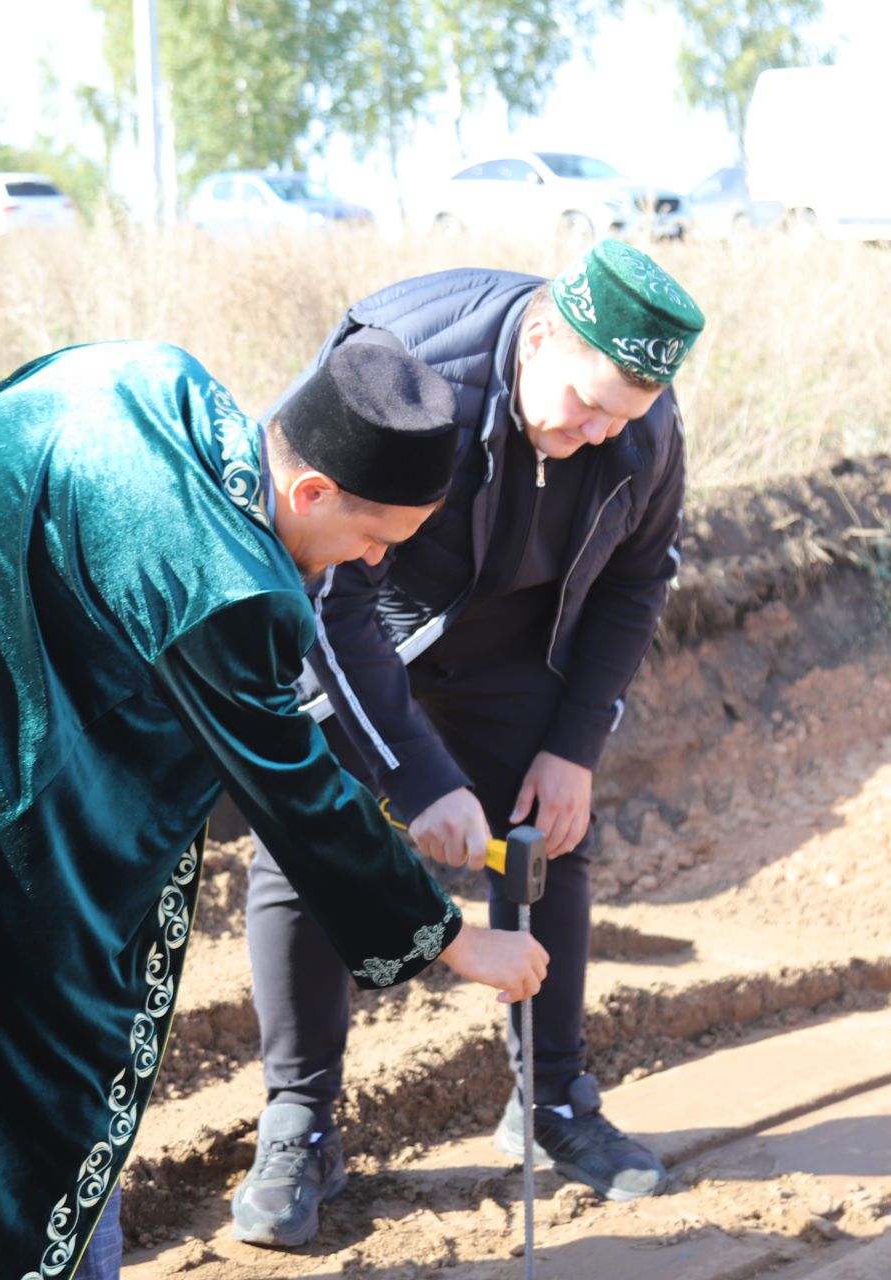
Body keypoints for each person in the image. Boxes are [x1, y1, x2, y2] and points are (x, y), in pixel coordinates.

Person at [0, 339, 549, 1280]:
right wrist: (453, 940)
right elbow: (296, 793)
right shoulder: (229, 580)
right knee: (13, 1014)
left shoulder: (158, 377)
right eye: (375, 541)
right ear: (311, 491)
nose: (369, 566)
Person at [234, 239, 704, 1247]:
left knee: (550, 837)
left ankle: (554, 1098)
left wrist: (575, 741)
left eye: (619, 416)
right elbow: (324, 587)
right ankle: (301, 1122)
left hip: (508, 640)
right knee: (303, 836)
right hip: (368, 612)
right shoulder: (407, 366)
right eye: (584, 403)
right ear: (541, 334)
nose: (594, 432)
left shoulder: (643, 424)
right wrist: (419, 777)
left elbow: (639, 579)